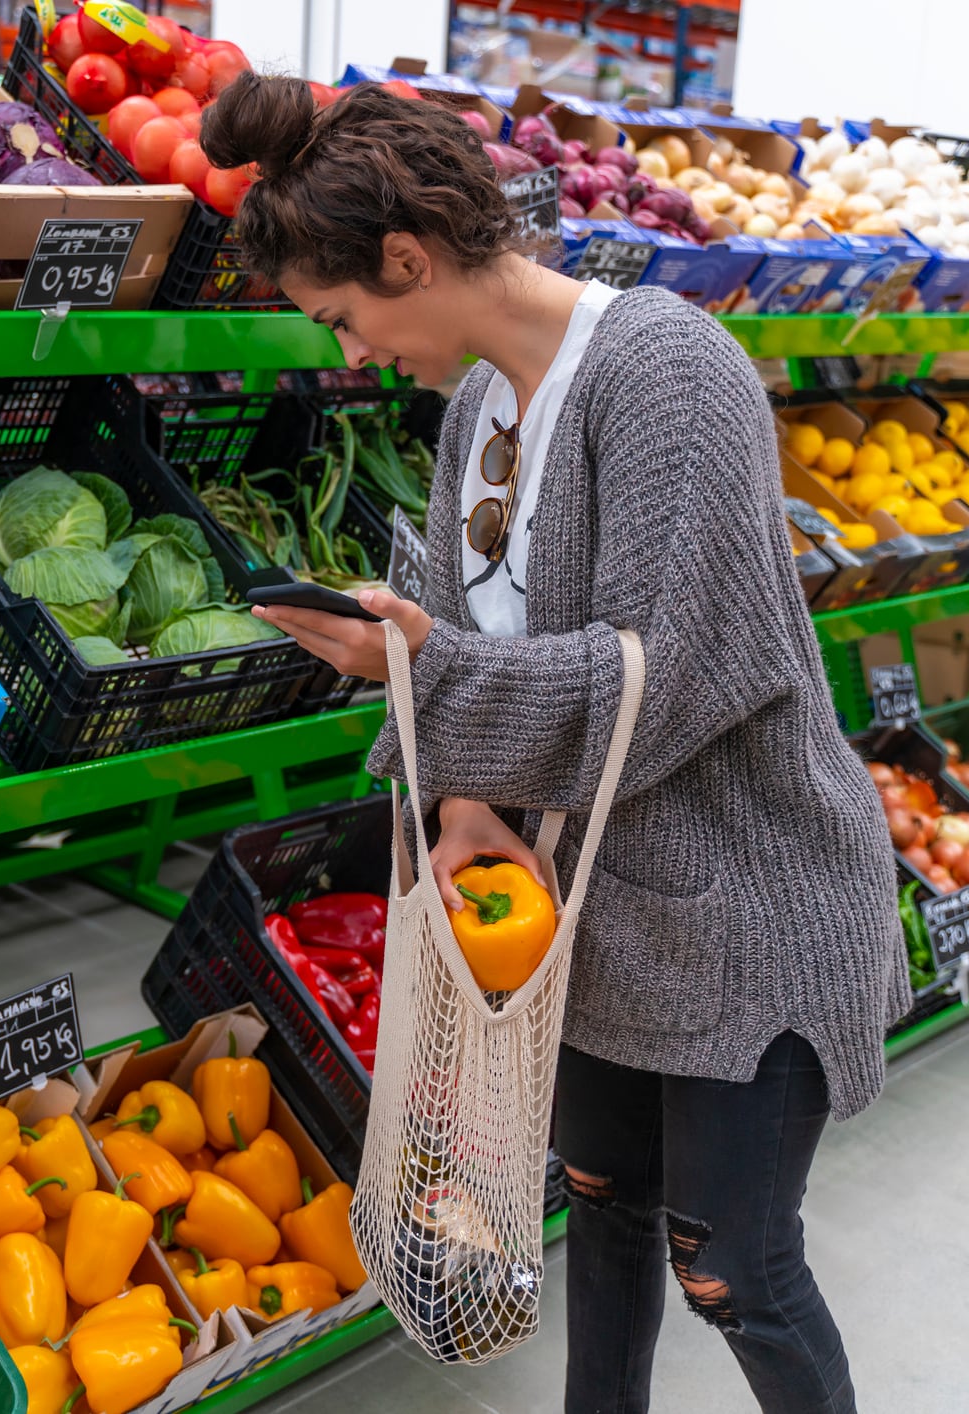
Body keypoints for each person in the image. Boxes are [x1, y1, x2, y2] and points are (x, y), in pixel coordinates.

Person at [203, 74, 907, 1414]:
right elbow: (487, 656)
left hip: (744, 906)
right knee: (602, 1212)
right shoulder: (476, 412)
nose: (351, 354)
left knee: (735, 1266)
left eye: (345, 317)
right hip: (591, 920)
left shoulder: (666, 369)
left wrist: (423, 669)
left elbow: (679, 679)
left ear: (407, 258)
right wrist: (463, 799)